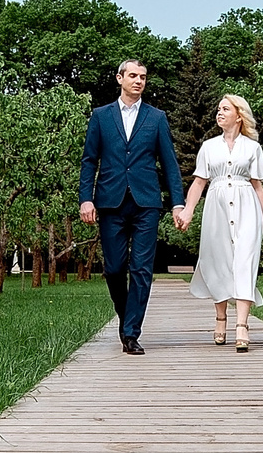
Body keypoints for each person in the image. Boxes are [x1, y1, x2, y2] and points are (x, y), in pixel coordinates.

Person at [78, 59, 187, 354]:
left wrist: (178, 203)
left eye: (143, 77)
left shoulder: (156, 118)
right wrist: (85, 198)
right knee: (114, 269)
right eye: (133, 76)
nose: (139, 81)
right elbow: (89, 160)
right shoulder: (101, 116)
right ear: (119, 78)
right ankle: (127, 317)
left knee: (141, 268)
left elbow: (170, 164)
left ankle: (130, 333)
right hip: (110, 202)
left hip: (146, 203)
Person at [182, 93, 263, 351]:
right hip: (216, 206)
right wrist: (188, 212)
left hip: (247, 207)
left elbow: (258, 186)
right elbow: (199, 182)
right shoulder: (209, 147)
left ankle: (242, 325)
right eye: (218, 109)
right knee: (219, 261)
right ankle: (221, 318)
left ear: (238, 115)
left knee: (245, 262)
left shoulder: (253, 148)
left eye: (225, 109)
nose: (219, 113)